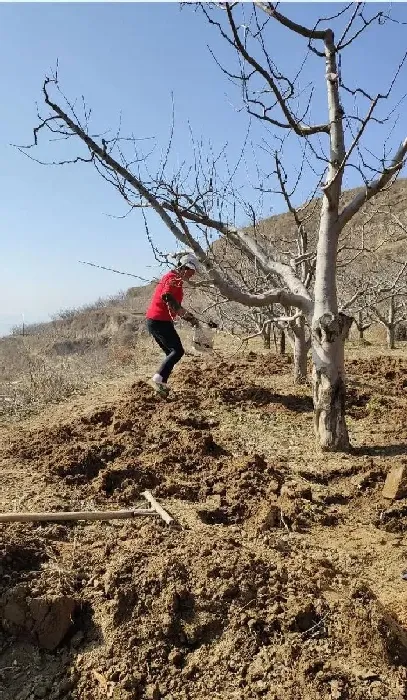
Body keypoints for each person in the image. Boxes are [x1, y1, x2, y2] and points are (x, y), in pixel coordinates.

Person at [146, 254, 200, 396]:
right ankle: (159, 379)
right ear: (185, 267)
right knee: (177, 351)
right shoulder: (173, 278)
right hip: (159, 321)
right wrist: (185, 315)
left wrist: (191, 318)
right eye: (191, 272)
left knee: (171, 353)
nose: (192, 276)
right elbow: (167, 296)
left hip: (157, 321)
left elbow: (176, 305)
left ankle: (161, 384)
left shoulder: (176, 279)